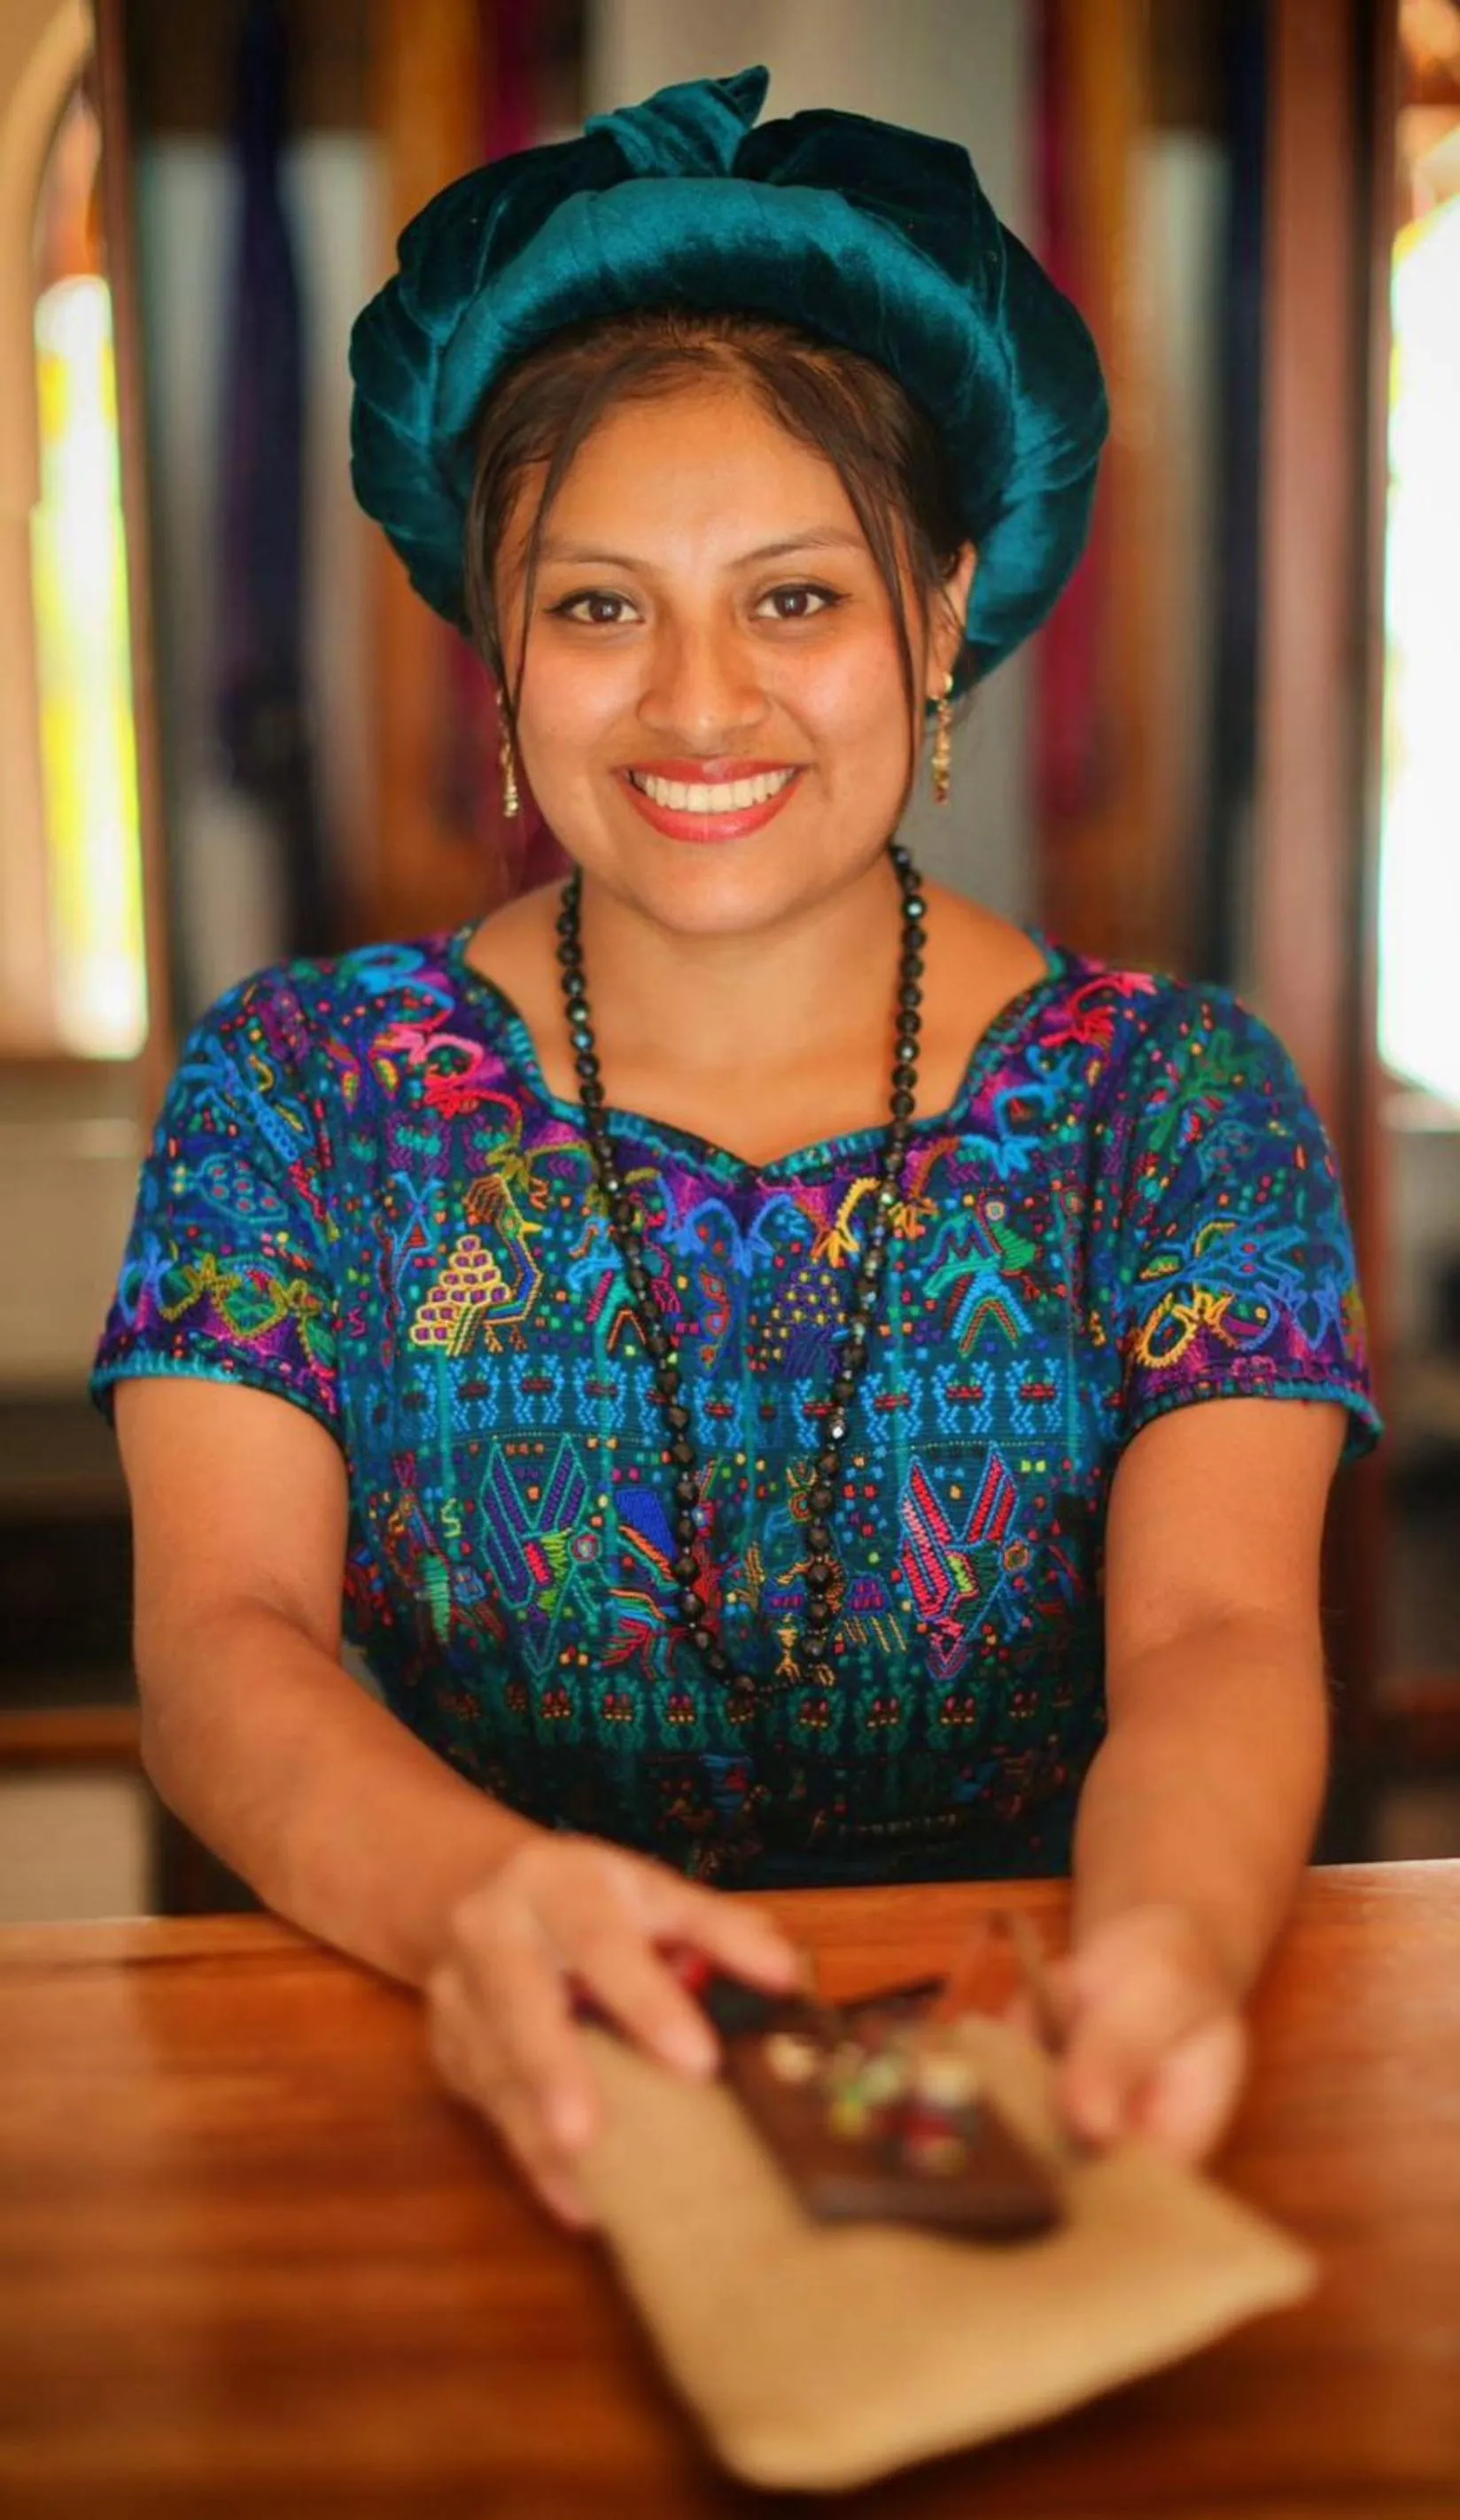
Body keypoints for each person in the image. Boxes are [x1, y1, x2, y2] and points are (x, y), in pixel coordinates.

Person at [92, 66, 1379, 2230]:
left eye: (793, 598)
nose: (698, 706)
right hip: (461, 2089)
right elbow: (224, 1644)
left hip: (1013, 2088)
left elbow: (1212, 1647)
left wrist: (1156, 1942)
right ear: (493, 649)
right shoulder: (297, 1091)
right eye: (597, 606)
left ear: (941, 608)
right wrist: (495, 1914)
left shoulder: (1171, 1100)